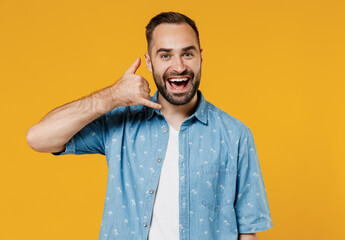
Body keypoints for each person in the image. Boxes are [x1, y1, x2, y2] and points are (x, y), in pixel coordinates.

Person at [26, 11, 273, 240]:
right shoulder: (121, 123)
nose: (179, 66)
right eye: (165, 55)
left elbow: (248, 230)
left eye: (188, 53)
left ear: (200, 57)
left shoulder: (235, 135)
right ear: (149, 62)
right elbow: (38, 138)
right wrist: (112, 96)